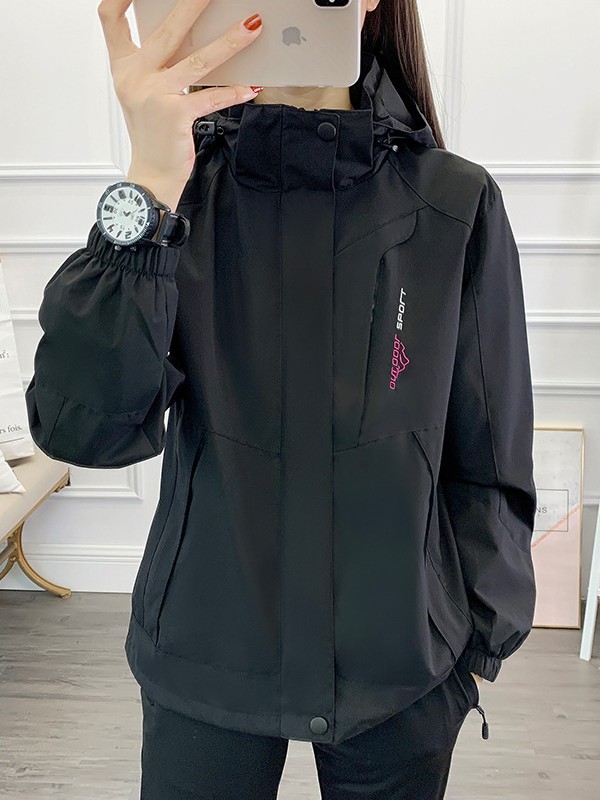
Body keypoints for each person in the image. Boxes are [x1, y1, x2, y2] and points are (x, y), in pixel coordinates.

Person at [25, 0, 537, 797]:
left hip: (402, 667)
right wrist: (148, 182)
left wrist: (472, 643)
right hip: (205, 651)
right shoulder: (176, 199)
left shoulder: (452, 201)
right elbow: (81, 428)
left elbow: (491, 447)